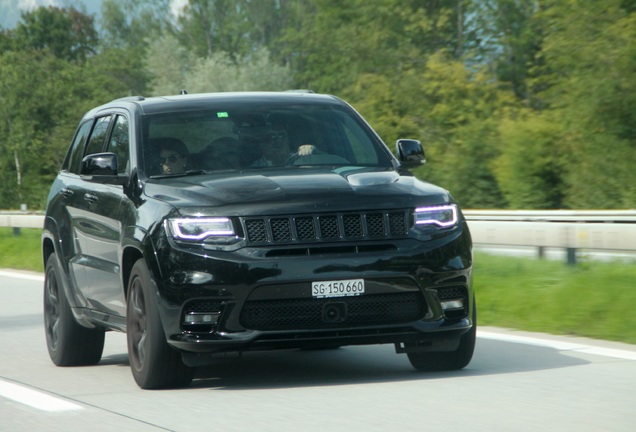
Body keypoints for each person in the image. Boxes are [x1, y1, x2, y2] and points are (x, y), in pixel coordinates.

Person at [250, 125, 315, 167]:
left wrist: (313, 150)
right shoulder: (255, 168)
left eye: (282, 136)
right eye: (271, 137)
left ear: (288, 141)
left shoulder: (302, 158)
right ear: (262, 144)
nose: (278, 141)